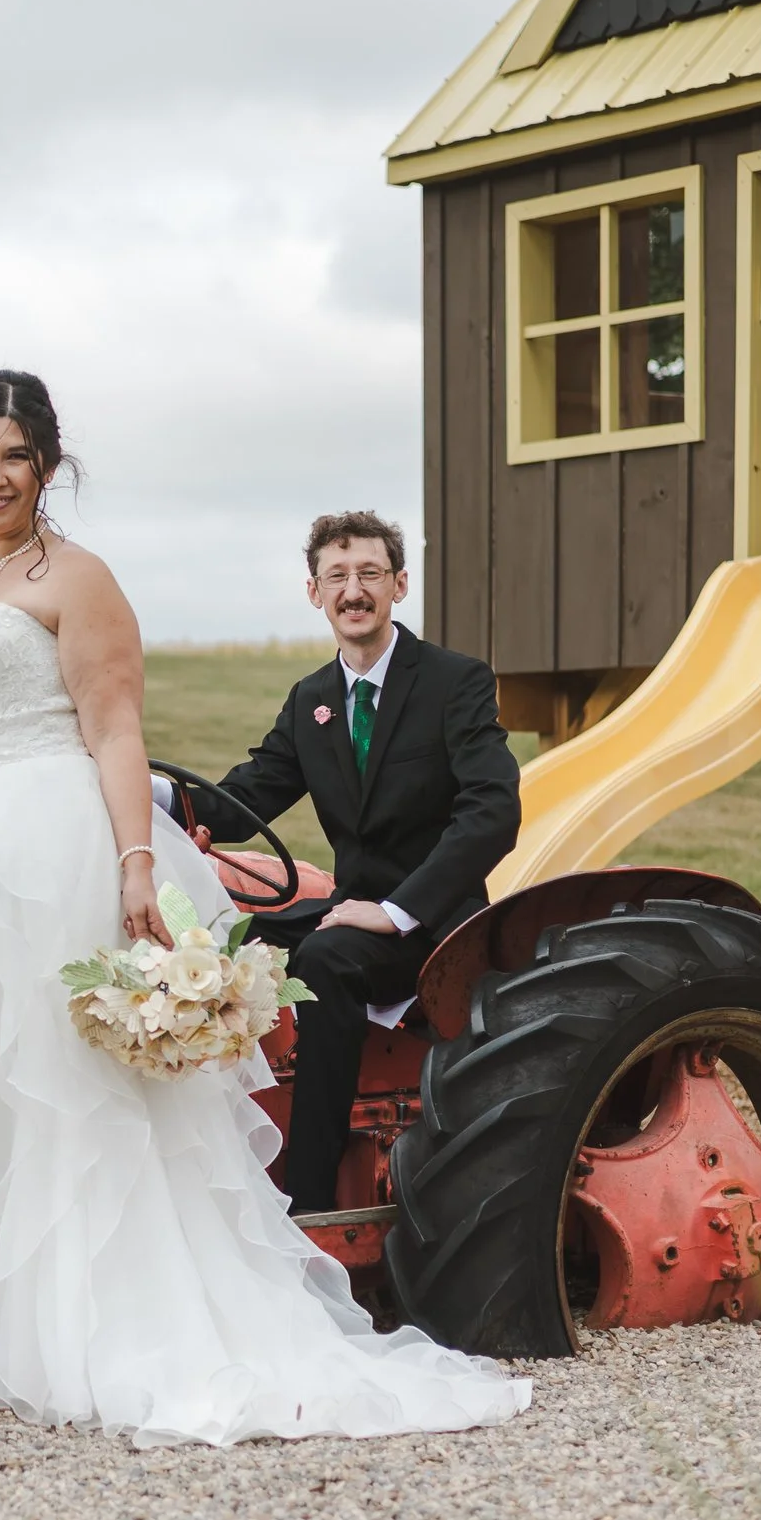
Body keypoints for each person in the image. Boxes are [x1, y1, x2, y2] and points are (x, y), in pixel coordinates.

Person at [0, 371, 530, 1447]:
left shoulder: (81, 579)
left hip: (47, 842)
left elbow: (115, 728)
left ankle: (100, 1317)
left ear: (47, 463)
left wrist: (140, 856)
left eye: (13, 454)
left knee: (59, 1085)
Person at [184, 512, 521, 1216]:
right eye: (337, 576)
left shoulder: (455, 683)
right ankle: (215, 1166)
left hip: (434, 927)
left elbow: (493, 812)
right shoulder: (312, 700)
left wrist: (398, 910)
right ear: (314, 592)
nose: (354, 590)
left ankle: (308, 1197)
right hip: (350, 915)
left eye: (369, 573)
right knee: (220, 945)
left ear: (399, 583)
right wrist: (150, 796)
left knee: (328, 959)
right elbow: (248, 794)